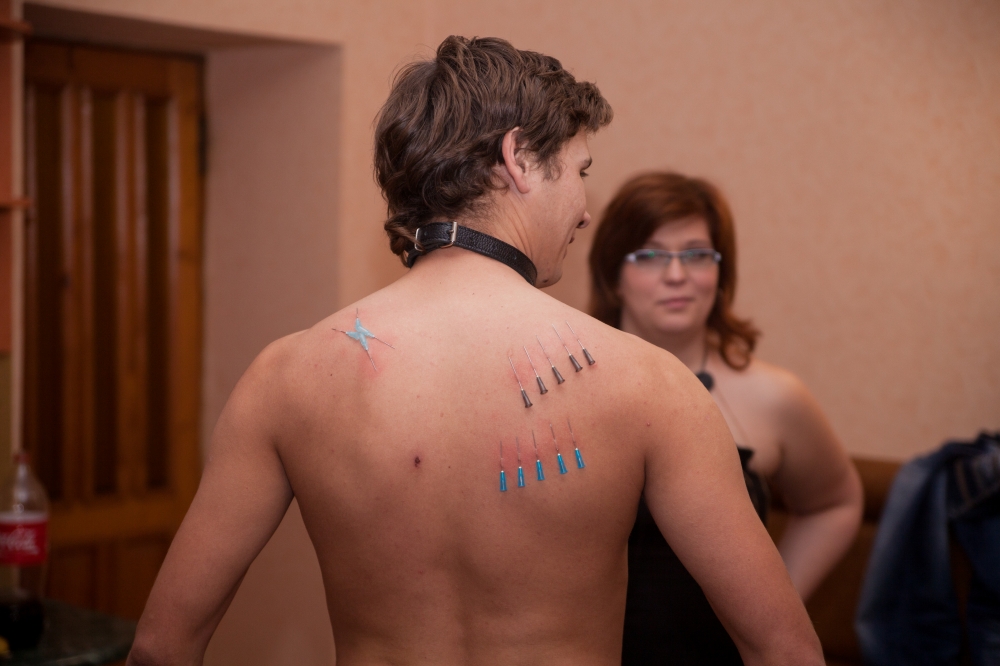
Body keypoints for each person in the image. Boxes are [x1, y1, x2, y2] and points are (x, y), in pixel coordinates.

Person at [128, 38, 824, 666]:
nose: (586, 208)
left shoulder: (283, 377)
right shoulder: (650, 385)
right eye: (580, 170)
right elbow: (784, 649)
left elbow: (160, 647)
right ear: (519, 159)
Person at [589, 171, 863, 664]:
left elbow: (835, 502)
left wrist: (772, 609)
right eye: (651, 256)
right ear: (613, 275)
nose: (677, 275)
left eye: (697, 254)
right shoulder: (574, 389)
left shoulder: (773, 396)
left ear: (722, 273)